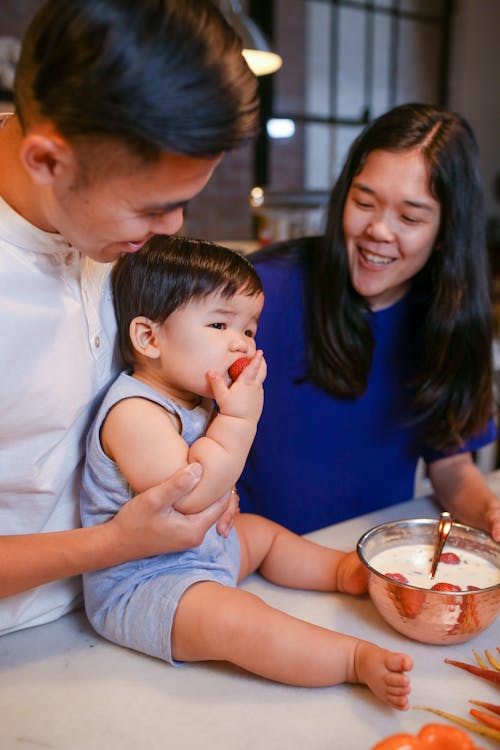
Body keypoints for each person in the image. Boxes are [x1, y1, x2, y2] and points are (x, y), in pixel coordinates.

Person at [0, 0, 260, 636]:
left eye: (182, 204)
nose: (170, 229)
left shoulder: (104, 231)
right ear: (47, 161)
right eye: (151, 208)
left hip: (119, 615)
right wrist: (115, 544)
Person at [80, 235, 413, 708]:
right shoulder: (134, 413)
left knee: (262, 535)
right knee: (238, 618)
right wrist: (239, 420)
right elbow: (190, 497)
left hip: (201, 552)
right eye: (219, 324)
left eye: (250, 330)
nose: (240, 342)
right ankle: (350, 659)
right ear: (149, 338)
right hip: (144, 585)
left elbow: (214, 487)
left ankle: (341, 571)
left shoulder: (192, 397)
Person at [239, 102, 500, 540]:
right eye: (364, 202)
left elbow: (451, 464)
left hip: (373, 562)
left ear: (445, 234)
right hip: (252, 563)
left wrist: (490, 511)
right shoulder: (261, 289)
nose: (379, 229)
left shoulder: (446, 321)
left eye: (410, 217)